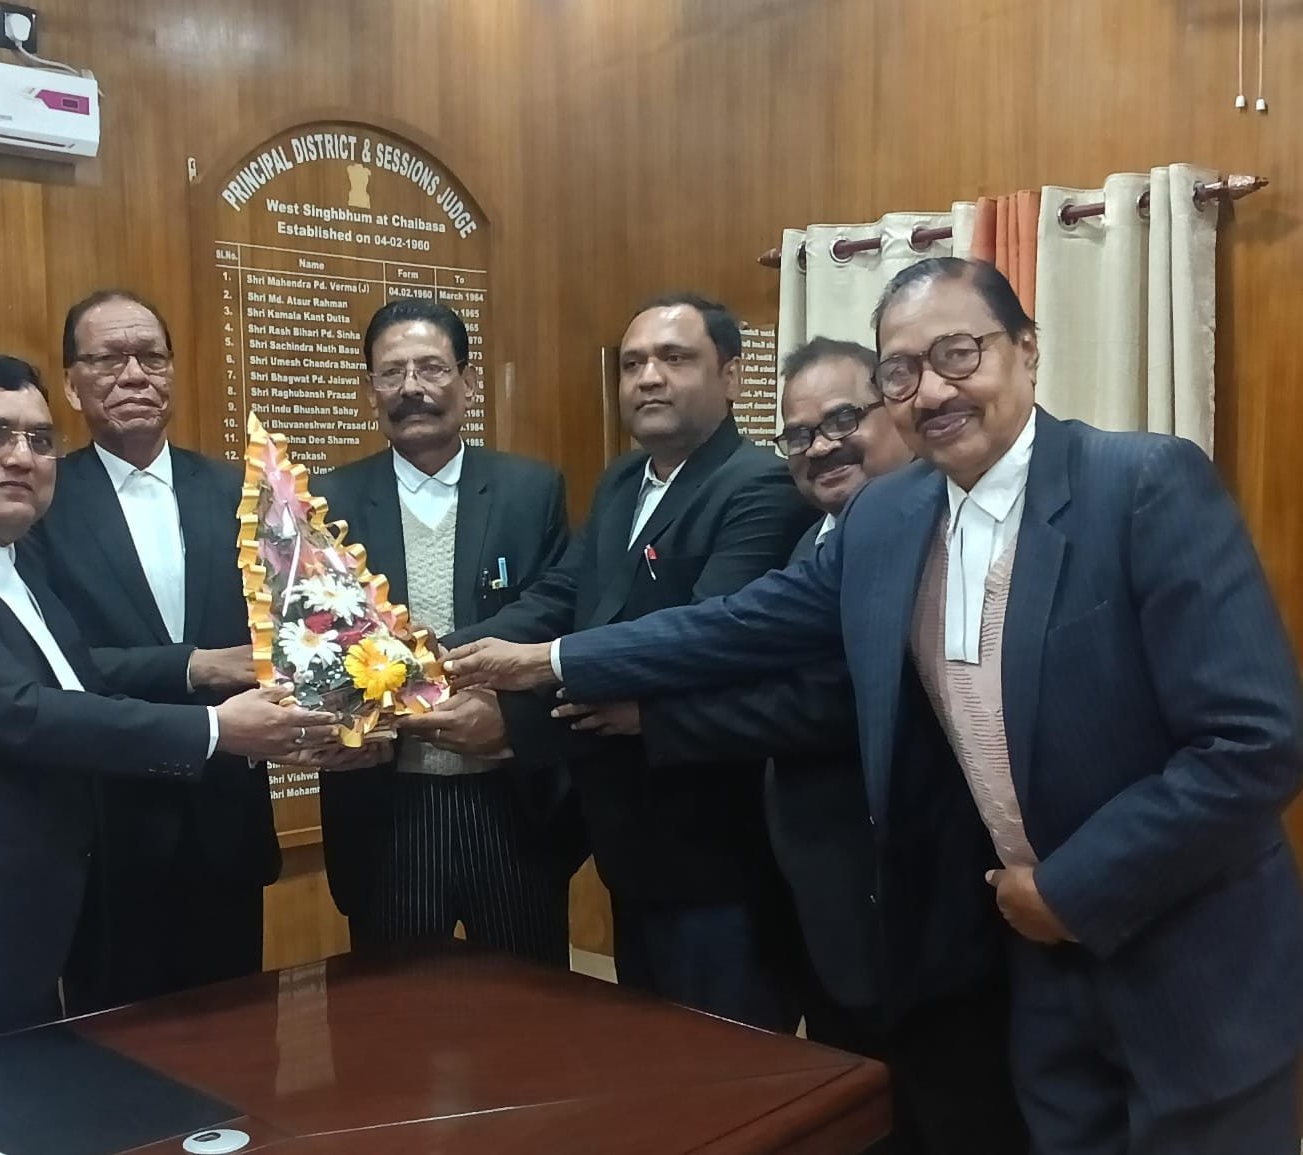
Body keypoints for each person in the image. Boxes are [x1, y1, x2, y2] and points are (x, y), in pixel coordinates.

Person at [447, 258, 1303, 1155]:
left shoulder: (1141, 484)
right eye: (900, 371)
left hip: (1189, 951)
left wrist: (1070, 888)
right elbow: (741, 623)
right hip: (1037, 965)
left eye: (959, 353)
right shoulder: (890, 517)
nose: (931, 390)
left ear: (1027, 349)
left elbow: (1252, 744)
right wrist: (552, 658)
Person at [0, 353, 337, 1070]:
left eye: (40, 440)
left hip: (8, 948)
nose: (21, 457)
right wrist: (216, 728)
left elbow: (83, 691)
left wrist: (260, 717)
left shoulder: (15, 567)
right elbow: (23, 714)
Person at [641, 338, 1024, 1154]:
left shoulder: (939, 538)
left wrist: (646, 716)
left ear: (898, 413)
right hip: (825, 909)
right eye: (799, 433)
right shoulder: (812, 543)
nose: (821, 446)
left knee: (950, 1118)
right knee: (855, 1115)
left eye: (844, 419)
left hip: (925, 921)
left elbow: (833, 701)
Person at [441, 293, 816, 1029]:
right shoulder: (623, 480)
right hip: (626, 842)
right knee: (650, 1052)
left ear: (732, 375)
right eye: (634, 362)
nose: (648, 377)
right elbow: (561, 593)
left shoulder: (761, 486)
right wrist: (441, 653)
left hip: (715, 850)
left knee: (725, 1062)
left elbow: (702, 638)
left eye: (675, 358)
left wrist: (536, 677)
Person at [25, 290, 279, 1013]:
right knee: (118, 1044)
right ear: (71, 383)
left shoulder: (239, 490)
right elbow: (47, 662)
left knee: (241, 1038)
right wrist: (195, 665)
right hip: (108, 824)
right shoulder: (40, 500)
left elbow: (287, 629)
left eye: (151, 357)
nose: (134, 375)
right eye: (109, 359)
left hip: (225, 818)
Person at [307, 298, 582, 964]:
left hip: (509, 800)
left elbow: (560, 615)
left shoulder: (530, 491)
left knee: (529, 1005)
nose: (412, 388)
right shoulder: (327, 502)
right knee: (395, 1010)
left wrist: (499, 709)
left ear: (468, 380)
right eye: (392, 372)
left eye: (431, 368)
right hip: (387, 806)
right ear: (369, 389)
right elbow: (314, 640)